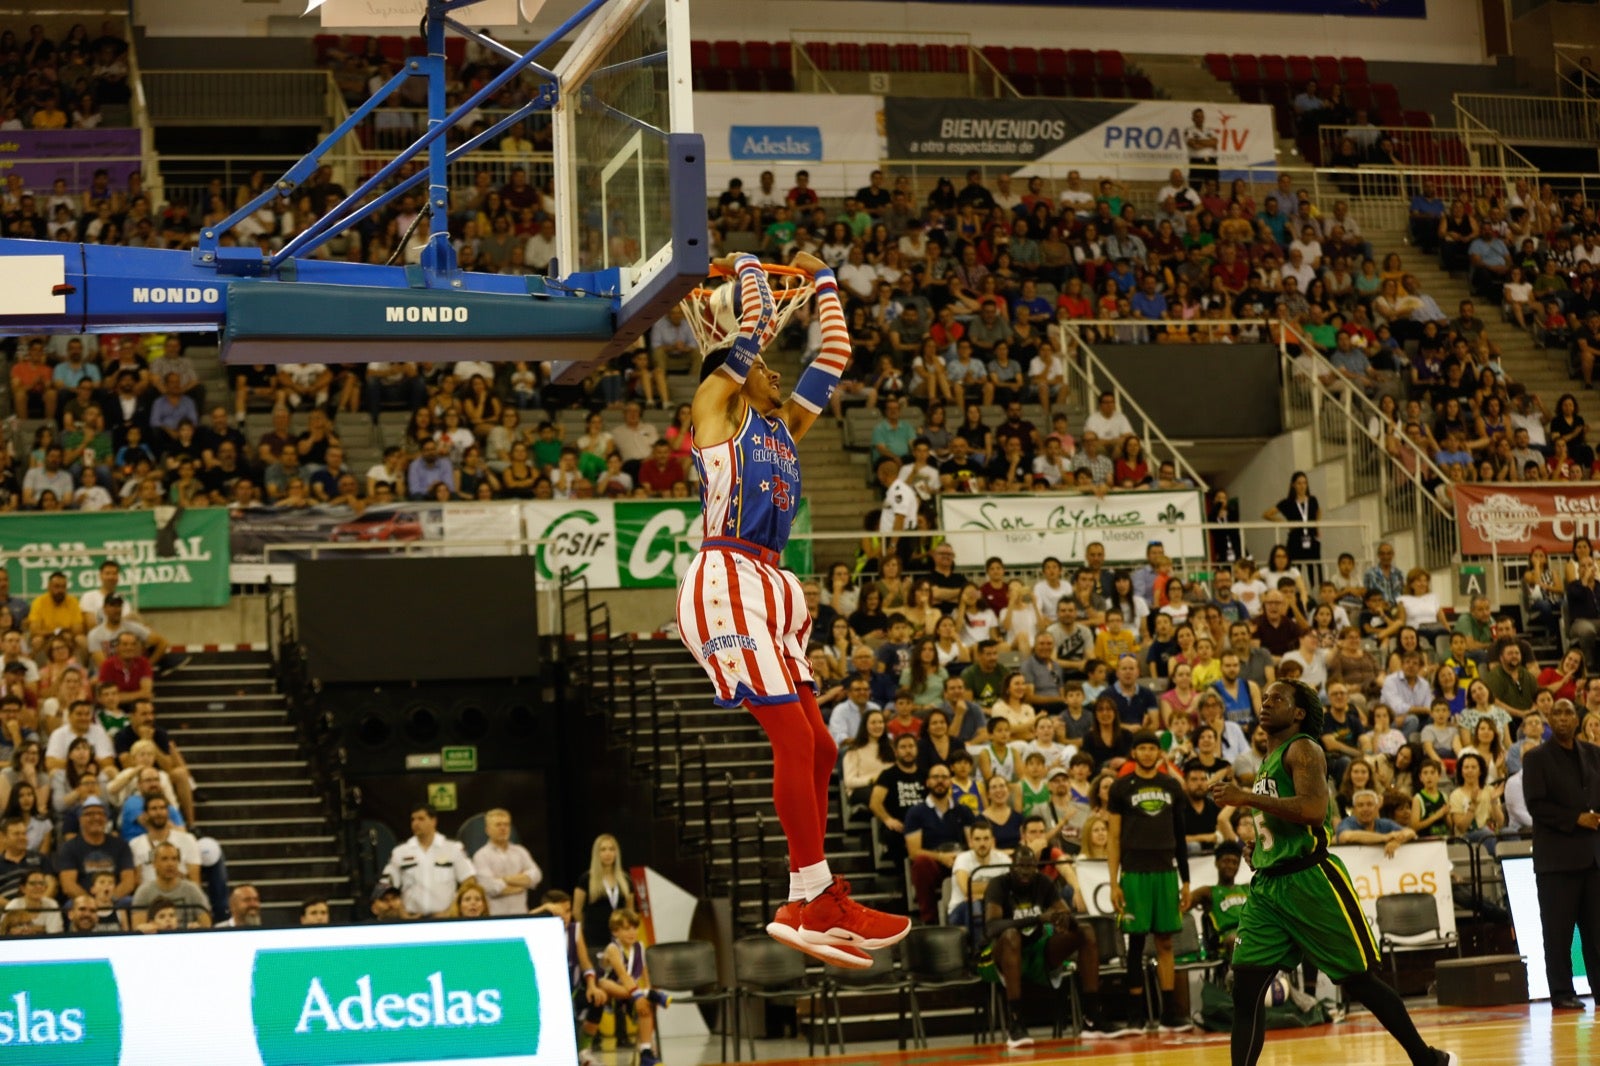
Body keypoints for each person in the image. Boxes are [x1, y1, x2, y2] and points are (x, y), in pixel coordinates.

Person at [675, 252, 907, 968]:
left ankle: (805, 900)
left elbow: (835, 349)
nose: (777, 371)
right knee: (795, 741)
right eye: (765, 365)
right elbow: (751, 331)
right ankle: (817, 900)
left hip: (771, 585)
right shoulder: (716, 407)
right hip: (726, 574)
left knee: (823, 745)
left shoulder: (786, 428)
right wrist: (751, 268)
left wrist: (827, 278)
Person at [1210, 680, 1457, 1066]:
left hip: (1311, 881)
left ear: (1298, 713)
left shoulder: (1305, 748)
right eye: (1266, 696)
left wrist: (1245, 797)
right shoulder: (1267, 761)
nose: (1266, 702)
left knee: (1358, 981)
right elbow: (1279, 820)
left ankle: (1425, 1058)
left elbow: (1311, 810)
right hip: (1269, 888)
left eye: (1277, 698)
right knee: (1245, 987)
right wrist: (1258, 849)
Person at [985, 844, 1123, 1046]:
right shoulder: (998, 885)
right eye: (1020, 866)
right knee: (1011, 936)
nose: (1025, 871)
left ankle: (1092, 1018)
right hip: (1002, 956)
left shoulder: (1044, 883)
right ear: (1011, 867)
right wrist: (1038, 918)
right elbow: (991, 927)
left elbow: (1066, 914)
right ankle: (1016, 1024)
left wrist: (1065, 922)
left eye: (1030, 866)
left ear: (1036, 867)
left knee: (1085, 931)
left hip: (1038, 951)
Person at [1107, 730, 1193, 1034]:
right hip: (1133, 872)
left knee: (1165, 941)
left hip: (1166, 872)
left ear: (1159, 753)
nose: (1146, 753)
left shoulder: (1172, 786)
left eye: (1151, 748)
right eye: (1141, 748)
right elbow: (1114, 837)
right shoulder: (1120, 787)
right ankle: (1136, 1015)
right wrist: (1113, 881)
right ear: (1134, 752)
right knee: (1136, 941)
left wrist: (1186, 881)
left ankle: (1169, 1012)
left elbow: (1181, 838)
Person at [1521, 697, 1600, 1011]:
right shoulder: (1537, 758)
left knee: (1597, 932)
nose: (1564, 717)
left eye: (1569, 712)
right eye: (1558, 712)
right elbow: (1535, 805)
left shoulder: (1594, 754)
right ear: (1549, 719)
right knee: (1558, 932)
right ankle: (1562, 992)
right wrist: (1574, 819)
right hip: (1556, 860)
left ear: (1577, 719)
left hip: (1593, 857)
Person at [596, 908, 671, 1066]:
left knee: (645, 1006)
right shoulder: (612, 948)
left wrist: (648, 988)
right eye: (626, 929)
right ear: (615, 932)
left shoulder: (640, 946)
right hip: (610, 990)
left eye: (634, 928)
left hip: (630, 991)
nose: (632, 932)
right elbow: (623, 975)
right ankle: (646, 993)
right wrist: (641, 993)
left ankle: (645, 1052)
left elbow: (644, 971)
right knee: (604, 983)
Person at [381, 804, 477, 919]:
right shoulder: (400, 852)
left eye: (421, 819)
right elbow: (386, 885)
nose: (415, 823)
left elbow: (469, 881)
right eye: (413, 819)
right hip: (411, 918)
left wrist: (452, 909)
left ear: (433, 821)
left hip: (446, 917)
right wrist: (400, 910)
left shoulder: (453, 848)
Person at [471, 808, 542, 916]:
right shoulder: (481, 856)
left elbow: (536, 876)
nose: (503, 828)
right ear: (487, 830)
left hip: (521, 915)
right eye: (498, 825)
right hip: (494, 917)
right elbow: (490, 887)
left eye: (506, 824)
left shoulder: (520, 851)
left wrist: (504, 879)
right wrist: (521, 883)